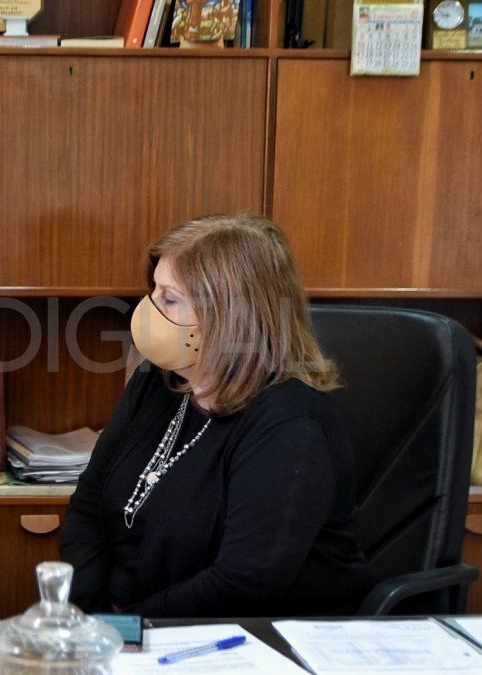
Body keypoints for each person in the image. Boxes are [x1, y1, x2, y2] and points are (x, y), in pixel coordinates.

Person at [60, 214, 371, 618]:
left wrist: (133, 627)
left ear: (229, 316)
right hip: (121, 629)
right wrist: (93, 616)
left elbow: (241, 583)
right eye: (153, 290)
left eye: (170, 299)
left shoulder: (290, 424)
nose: (148, 310)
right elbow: (88, 505)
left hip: (235, 636)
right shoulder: (157, 381)